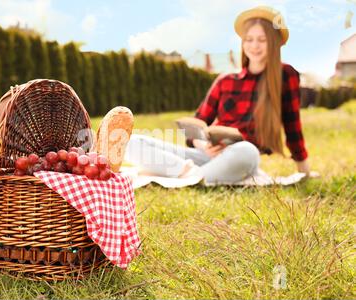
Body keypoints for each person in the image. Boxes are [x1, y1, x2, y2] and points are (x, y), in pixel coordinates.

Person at [123, 6, 311, 184]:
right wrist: (203, 144)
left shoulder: (285, 74)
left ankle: (181, 176)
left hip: (238, 157)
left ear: (274, 43)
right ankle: (189, 176)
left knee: (247, 151)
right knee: (130, 142)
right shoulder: (226, 80)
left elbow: (292, 124)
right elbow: (198, 124)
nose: (254, 45)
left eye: (262, 40)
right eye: (249, 39)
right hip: (206, 155)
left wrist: (304, 170)